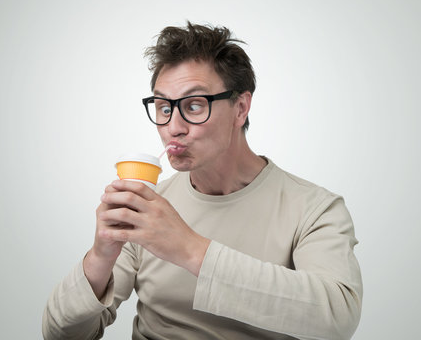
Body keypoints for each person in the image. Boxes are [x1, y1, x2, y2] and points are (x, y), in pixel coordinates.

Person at [42, 22, 363, 340]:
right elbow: (60, 335)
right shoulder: (147, 209)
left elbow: (337, 318)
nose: (173, 126)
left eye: (194, 105)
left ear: (240, 108)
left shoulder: (314, 208)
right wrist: (100, 256)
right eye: (163, 107)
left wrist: (188, 248)